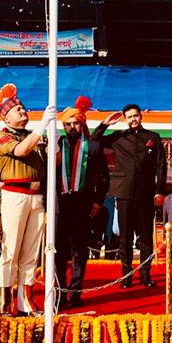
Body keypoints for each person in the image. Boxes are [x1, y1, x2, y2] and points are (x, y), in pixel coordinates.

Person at [0, 83, 54, 316]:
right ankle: (4, 301)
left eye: (22, 107)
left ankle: (25, 301)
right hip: (15, 194)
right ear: (5, 117)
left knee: (30, 252)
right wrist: (42, 128)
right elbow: (21, 151)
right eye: (17, 108)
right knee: (11, 249)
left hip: (36, 195)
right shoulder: (2, 136)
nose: (22, 110)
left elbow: (52, 163)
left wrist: (53, 141)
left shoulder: (32, 135)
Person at [91, 103, 167, 289]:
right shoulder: (118, 137)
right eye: (130, 117)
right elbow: (93, 140)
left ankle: (145, 274)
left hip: (146, 193)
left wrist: (159, 191)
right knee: (124, 238)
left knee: (145, 238)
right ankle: (126, 276)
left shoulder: (153, 137)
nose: (133, 119)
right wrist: (105, 123)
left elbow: (161, 165)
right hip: (124, 192)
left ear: (141, 116)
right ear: (125, 119)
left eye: (136, 116)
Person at [55, 96, 109, 307]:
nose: (71, 127)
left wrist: (98, 202)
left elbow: (104, 177)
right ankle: (58, 293)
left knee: (80, 250)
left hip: (83, 204)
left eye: (75, 123)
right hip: (60, 204)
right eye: (68, 124)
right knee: (57, 251)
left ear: (82, 123)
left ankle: (75, 292)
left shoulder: (93, 147)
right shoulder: (57, 145)